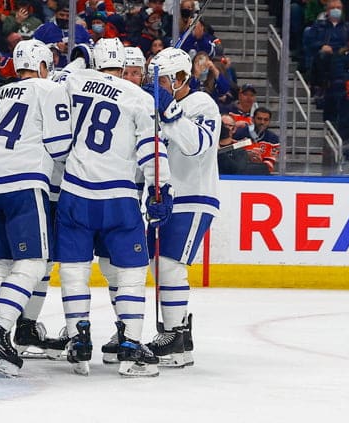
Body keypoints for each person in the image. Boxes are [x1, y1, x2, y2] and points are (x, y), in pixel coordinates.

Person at [53, 37, 170, 378]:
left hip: (75, 192)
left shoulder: (74, 80)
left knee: (74, 270)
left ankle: (79, 340)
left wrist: (77, 58)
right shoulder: (139, 96)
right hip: (119, 197)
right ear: (123, 65)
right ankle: (131, 346)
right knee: (131, 273)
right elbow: (152, 150)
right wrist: (160, 190)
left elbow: (58, 76)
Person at [0, 39, 71, 377]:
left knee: (1, 263)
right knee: (35, 261)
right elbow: (59, 146)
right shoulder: (47, 88)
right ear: (42, 66)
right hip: (24, 183)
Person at [143, 47, 221, 367]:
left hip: (194, 195)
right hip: (166, 197)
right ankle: (180, 336)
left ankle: (173, 335)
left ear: (180, 78)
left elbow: (196, 145)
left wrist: (170, 110)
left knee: (170, 264)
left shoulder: (202, 104)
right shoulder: (158, 108)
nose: (155, 86)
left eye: (160, 80)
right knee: (158, 266)